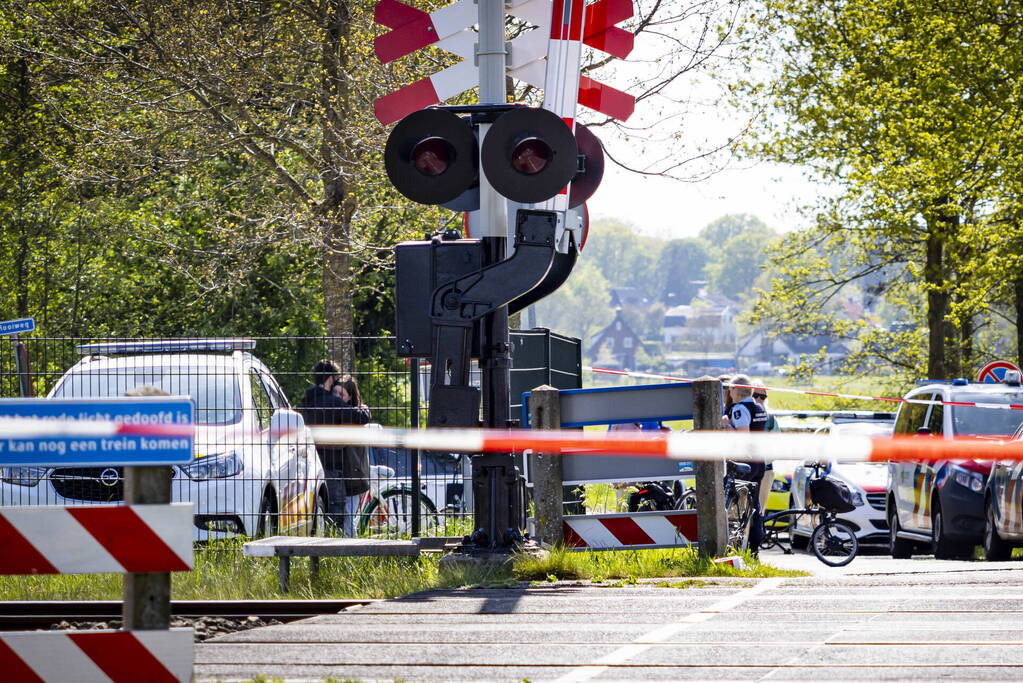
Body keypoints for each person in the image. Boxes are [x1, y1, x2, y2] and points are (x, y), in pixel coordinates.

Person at [299, 361, 370, 536]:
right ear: (330, 378)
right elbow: (361, 417)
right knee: (336, 516)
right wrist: (364, 408)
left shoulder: (306, 402)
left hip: (309, 465)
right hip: (333, 467)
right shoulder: (331, 403)